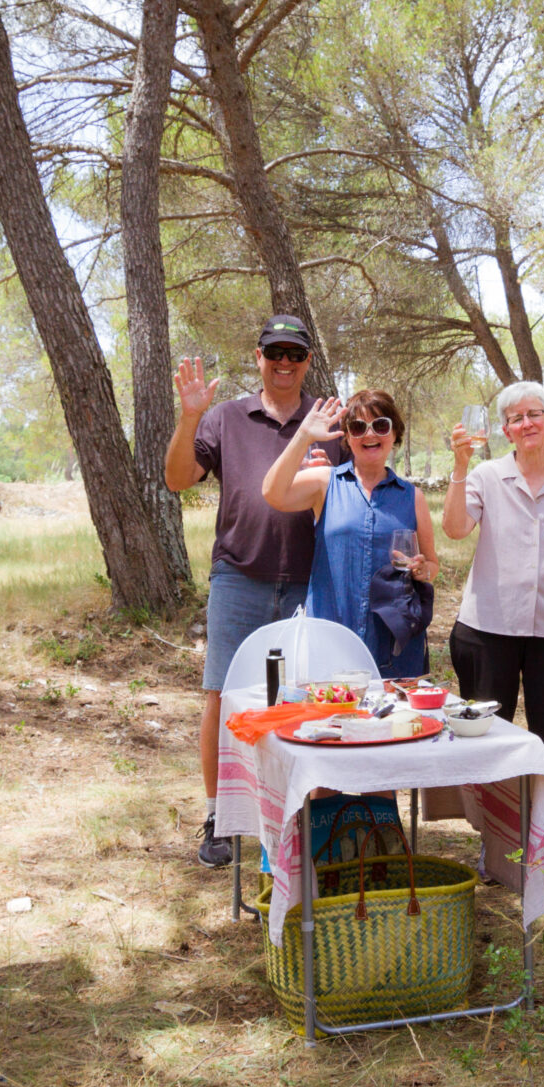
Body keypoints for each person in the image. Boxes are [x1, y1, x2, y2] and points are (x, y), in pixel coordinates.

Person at [165, 315, 343, 867]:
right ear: (258, 356)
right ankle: (219, 816)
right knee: (222, 695)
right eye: (275, 352)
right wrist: (190, 416)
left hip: (311, 581)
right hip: (238, 576)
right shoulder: (225, 417)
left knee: (308, 699)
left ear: (308, 361)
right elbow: (177, 479)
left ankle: (301, 812)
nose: (284, 362)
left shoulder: (328, 422)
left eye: (295, 353)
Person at [442, 381, 544, 856]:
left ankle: (540, 840)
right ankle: (495, 841)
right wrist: (460, 466)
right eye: (515, 418)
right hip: (488, 629)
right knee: (487, 740)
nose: (526, 423)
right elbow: (455, 529)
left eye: (534, 414)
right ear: (505, 431)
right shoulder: (485, 476)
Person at [264, 390, 439, 679]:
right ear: (347, 437)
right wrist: (303, 437)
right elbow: (272, 492)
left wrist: (422, 570)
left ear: (395, 433)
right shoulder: (325, 483)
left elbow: (432, 564)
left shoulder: (413, 497)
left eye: (380, 425)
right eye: (358, 427)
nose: (369, 434)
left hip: (393, 643)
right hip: (331, 637)